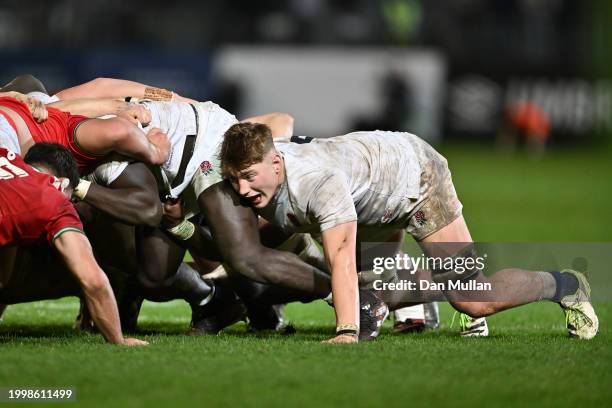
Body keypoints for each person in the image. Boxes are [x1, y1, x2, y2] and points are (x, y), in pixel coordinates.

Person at [218, 123, 599, 343]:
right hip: (371, 191)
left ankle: (564, 284)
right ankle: (434, 292)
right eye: (235, 180)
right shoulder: (261, 172)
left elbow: (340, 259)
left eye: (250, 178)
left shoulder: (318, 184)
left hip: (416, 179)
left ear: (276, 162)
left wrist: (347, 332)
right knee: (371, 291)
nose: (242, 190)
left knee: (473, 298)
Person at [0, 144, 147, 346]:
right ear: (63, 182)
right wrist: (118, 340)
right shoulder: (55, 200)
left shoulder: (6, 156)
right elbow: (93, 281)